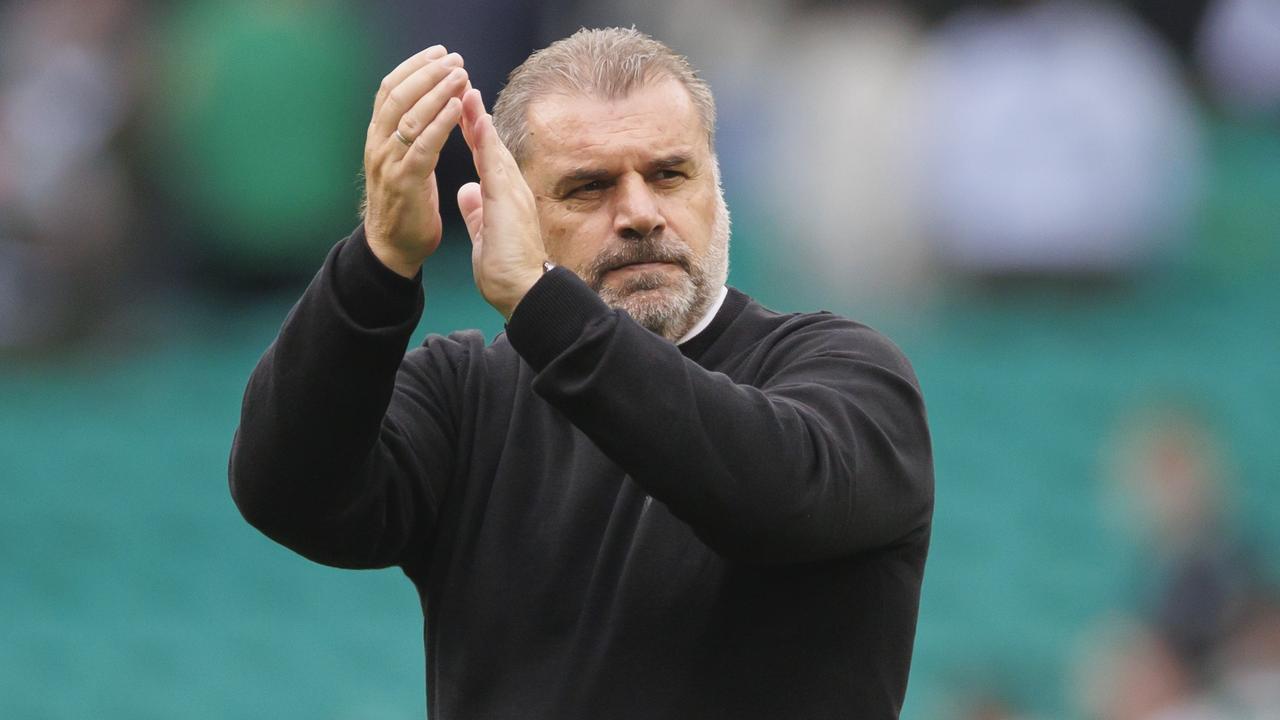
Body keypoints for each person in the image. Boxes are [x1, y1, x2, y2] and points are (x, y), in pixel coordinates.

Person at [229, 27, 933, 719]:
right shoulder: (466, 395)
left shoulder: (846, 372)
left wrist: (539, 301)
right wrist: (379, 262)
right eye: (588, 187)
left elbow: (767, 497)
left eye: (669, 174)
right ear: (506, 210)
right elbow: (288, 493)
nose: (639, 214)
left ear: (717, 191)